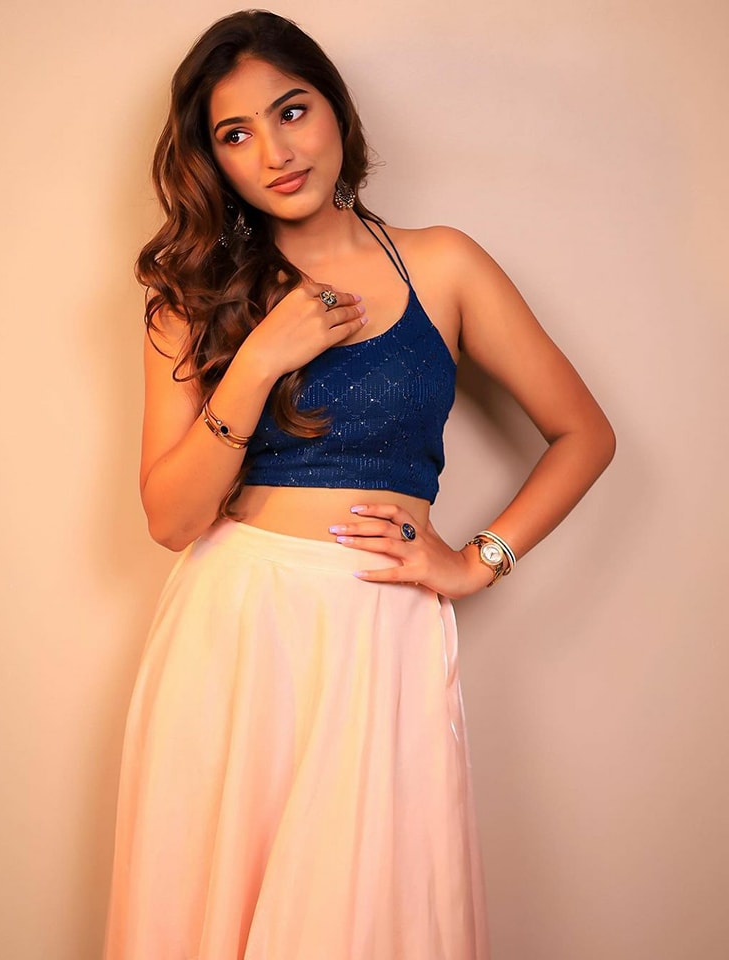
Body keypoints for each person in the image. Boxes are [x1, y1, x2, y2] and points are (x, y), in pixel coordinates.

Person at [102, 9, 616, 960]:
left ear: (336, 109)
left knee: (368, 916)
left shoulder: (444, 264)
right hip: (238, 630)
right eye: (235, 134)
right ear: (213, 161)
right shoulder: (192, 295)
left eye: (292, 111)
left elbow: (585, 433)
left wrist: (477, 561)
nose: (275, 151)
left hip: (383, 628)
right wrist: (261, 359)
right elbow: (170, 519)